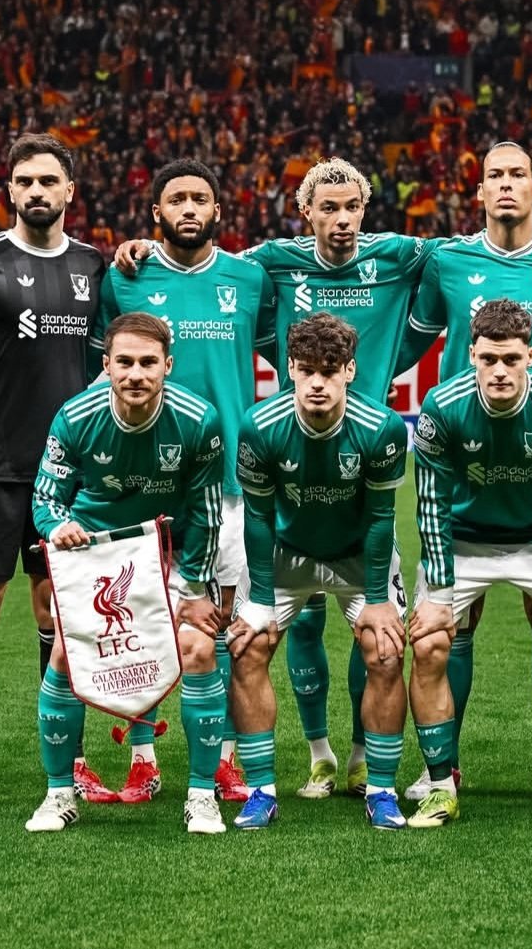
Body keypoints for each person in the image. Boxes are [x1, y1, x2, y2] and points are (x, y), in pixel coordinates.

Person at [115, 156, 532, 800]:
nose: (341, 220)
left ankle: (367, 758)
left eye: (351, 208)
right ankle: (319, 755)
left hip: (367, 447)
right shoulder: (272, 260)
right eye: (328, 208)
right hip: (295, 448)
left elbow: (477, 243)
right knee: (299, 623)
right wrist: (149, 248)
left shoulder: (398, 253)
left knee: (377, 626)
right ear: (305, 212)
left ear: (365, 210)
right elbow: (204, 262)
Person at [395, 140, 532, 801]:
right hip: (466, 477)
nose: (506, 184)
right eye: (495, 176)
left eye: (518, 175)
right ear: (478, 191)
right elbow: (410, 338)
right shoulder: (447, 260)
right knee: (450, 628)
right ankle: (443, 769)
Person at [0, 133, 113, 812]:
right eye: (25, 180)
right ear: (9, 190)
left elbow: (105, 362)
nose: (37, 191)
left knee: (59, 611)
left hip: (68, 473)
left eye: (48, 180)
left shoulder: (94, 265)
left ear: (70, 191)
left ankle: (71, 760)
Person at [92, 158, 276, 805]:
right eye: (177, 199)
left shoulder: (249, 278)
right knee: (135, 624)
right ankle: (142, 759)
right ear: (157, 213)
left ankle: (220, 758)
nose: (189, 207)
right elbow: (99, 365)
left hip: (226, 485)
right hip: (141, 486)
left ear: (218, 211)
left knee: (220, 625)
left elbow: (288, 355)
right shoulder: (126, 276)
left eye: (200, 198)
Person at [27, 312, 227, 834]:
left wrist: (194, 589)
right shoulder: (75, 416)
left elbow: (207, 513)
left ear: (168, 366)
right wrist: (59, 526)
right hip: (96, 551)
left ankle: (202, 796)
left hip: (166, 546)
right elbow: (46, 497)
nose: (136, 374)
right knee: (65, 655)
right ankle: (58, 793)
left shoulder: (198, 420)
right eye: (125, 362)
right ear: (107, 365)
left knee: (199, 649)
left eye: (147, 363)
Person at [408, 300, 532, 830]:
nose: (499, 370)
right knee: (428, 643)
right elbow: (430, 504)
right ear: (471, 354)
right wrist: (438, 595)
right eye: (489, 358)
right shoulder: (442, 405)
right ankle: (441, 782)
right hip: (464, 540)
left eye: (511, 359)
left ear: (530, 357)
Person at [224, 313, 410, 830]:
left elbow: (381, 519)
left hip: (358, 556)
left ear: (350, 370)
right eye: (306, 370)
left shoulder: (381, 428)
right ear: (290, 369)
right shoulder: (260, 426)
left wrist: (378, 600)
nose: (317, 383)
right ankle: (261, 792)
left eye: (329, 371)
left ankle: (381, 790)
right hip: (286, 553)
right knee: (247, 648)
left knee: (385, 651)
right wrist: (261, 599)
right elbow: (258, 518)